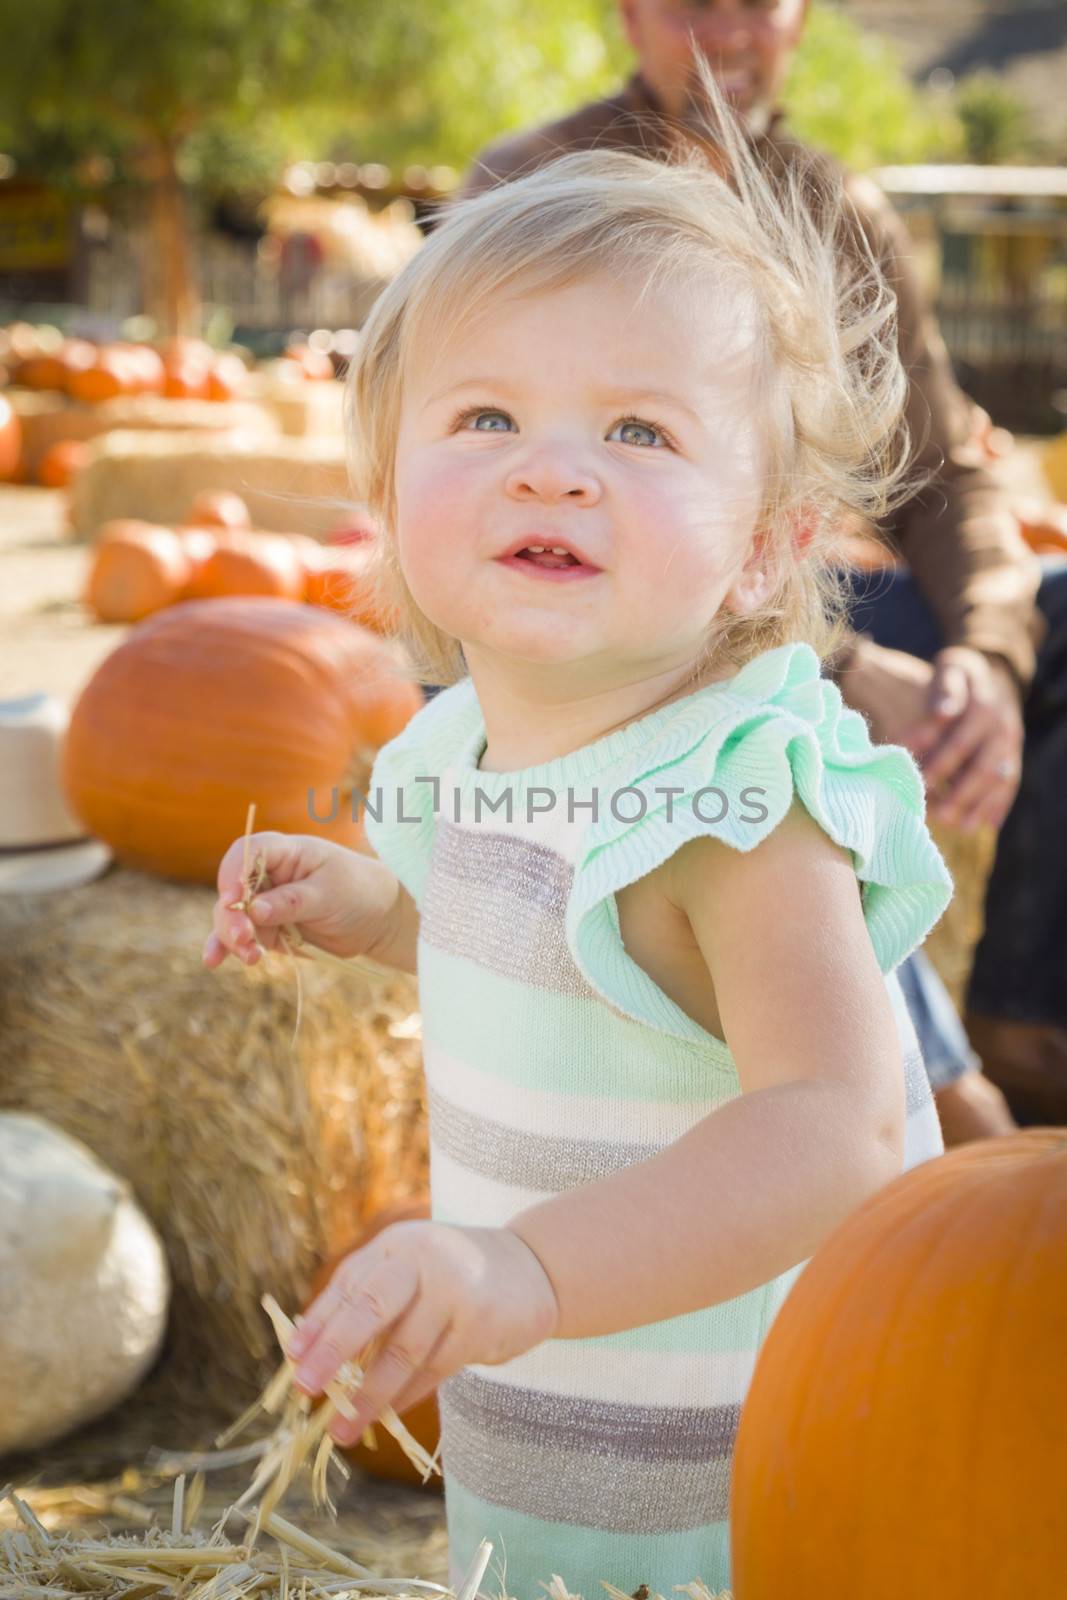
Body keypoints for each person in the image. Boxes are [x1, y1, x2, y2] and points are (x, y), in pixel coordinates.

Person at [204, 72, 953, 1596]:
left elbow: (834, 1119)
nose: (551, 467)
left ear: (766, 544)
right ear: (386, 486)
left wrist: (520, 1269)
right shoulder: (456, 747)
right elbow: (543, 938)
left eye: (636, 429)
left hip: (742, 1494)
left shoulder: (735, 798)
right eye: (486, 417)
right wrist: (370, 904)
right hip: (544, 1451)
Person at [451, 0, 1067, 1132]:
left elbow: (938, 471)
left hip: (777, 594)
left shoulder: (837, 209)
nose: (726, 30)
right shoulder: (540, 188)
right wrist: (834, 662)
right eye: (692, 1)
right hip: (609, 627)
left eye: (756, 2)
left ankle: (1026, 1020)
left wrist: (985, 657)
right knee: (755, 744)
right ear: (629, 16)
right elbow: (578, 521)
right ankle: (929, 1087)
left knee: (1056, 611)